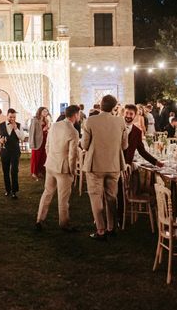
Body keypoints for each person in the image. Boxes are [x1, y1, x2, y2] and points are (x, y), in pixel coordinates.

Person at [82, 95, 128, 241]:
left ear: (101, 105)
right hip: (114, 164)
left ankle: (101, 230)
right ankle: (111, 228)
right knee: (112, 197)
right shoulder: (120, 121)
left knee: (95, 197)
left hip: (95, 165)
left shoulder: (91, 120)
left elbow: (84, 145)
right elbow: (124, 145)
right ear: (114, 107)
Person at [35, 105, 80, 231]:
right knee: (63, 198)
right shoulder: (73, 132)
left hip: (50, 164)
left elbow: (47, 146)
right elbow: (72, 155)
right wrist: (72, 171)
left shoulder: (54, 125)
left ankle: (39, 219)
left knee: (47, 192)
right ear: (75, 115)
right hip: (63, 168)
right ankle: (64, 224)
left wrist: (50, 159)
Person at [0, 108, 22, 199]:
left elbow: (22, 137)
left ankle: (14, 191)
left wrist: (16, 129)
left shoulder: (18, 125)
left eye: (14, 117)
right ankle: (8, 190)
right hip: (4, 151)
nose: (12, 119)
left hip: (15, 152)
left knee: (14, 171)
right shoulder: (1, 125)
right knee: (5, 171)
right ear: (7, 115)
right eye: (11, 117)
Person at [29, 107, 50, 180]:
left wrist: (48, 127)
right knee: (35, 157)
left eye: (46, 111)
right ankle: (34, 172)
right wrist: (32, 143)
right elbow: (32, 132)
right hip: (37, 141)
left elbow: (48, 129)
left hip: (45, 140)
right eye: (44, 111)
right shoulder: (35, 120)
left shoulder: (46, 120)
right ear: (40, 111)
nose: (45, 112)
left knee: (43, 157)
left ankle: (41, 171)